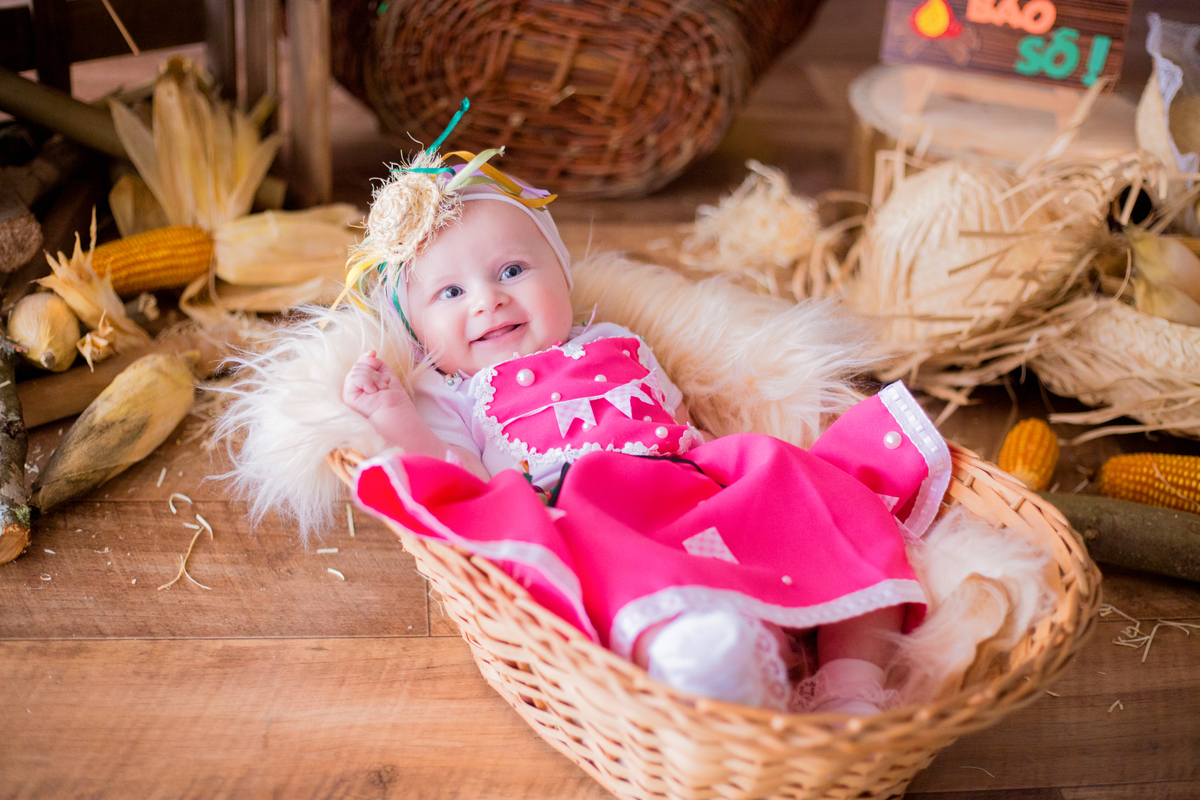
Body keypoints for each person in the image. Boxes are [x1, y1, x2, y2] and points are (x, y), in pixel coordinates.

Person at [339, 106, 951, 714]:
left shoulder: (614, 337)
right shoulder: (455, 391)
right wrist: (392, 412)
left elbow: (679, 420)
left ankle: (851, 685)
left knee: (818, 499)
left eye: (513, 269)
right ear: (419, 337)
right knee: (620, 574)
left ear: (562, 276)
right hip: (589, 514)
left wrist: (738, 481)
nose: (488, 300)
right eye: (451, 292)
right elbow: (460, 483)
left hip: (691, 485)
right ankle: (710, 661)